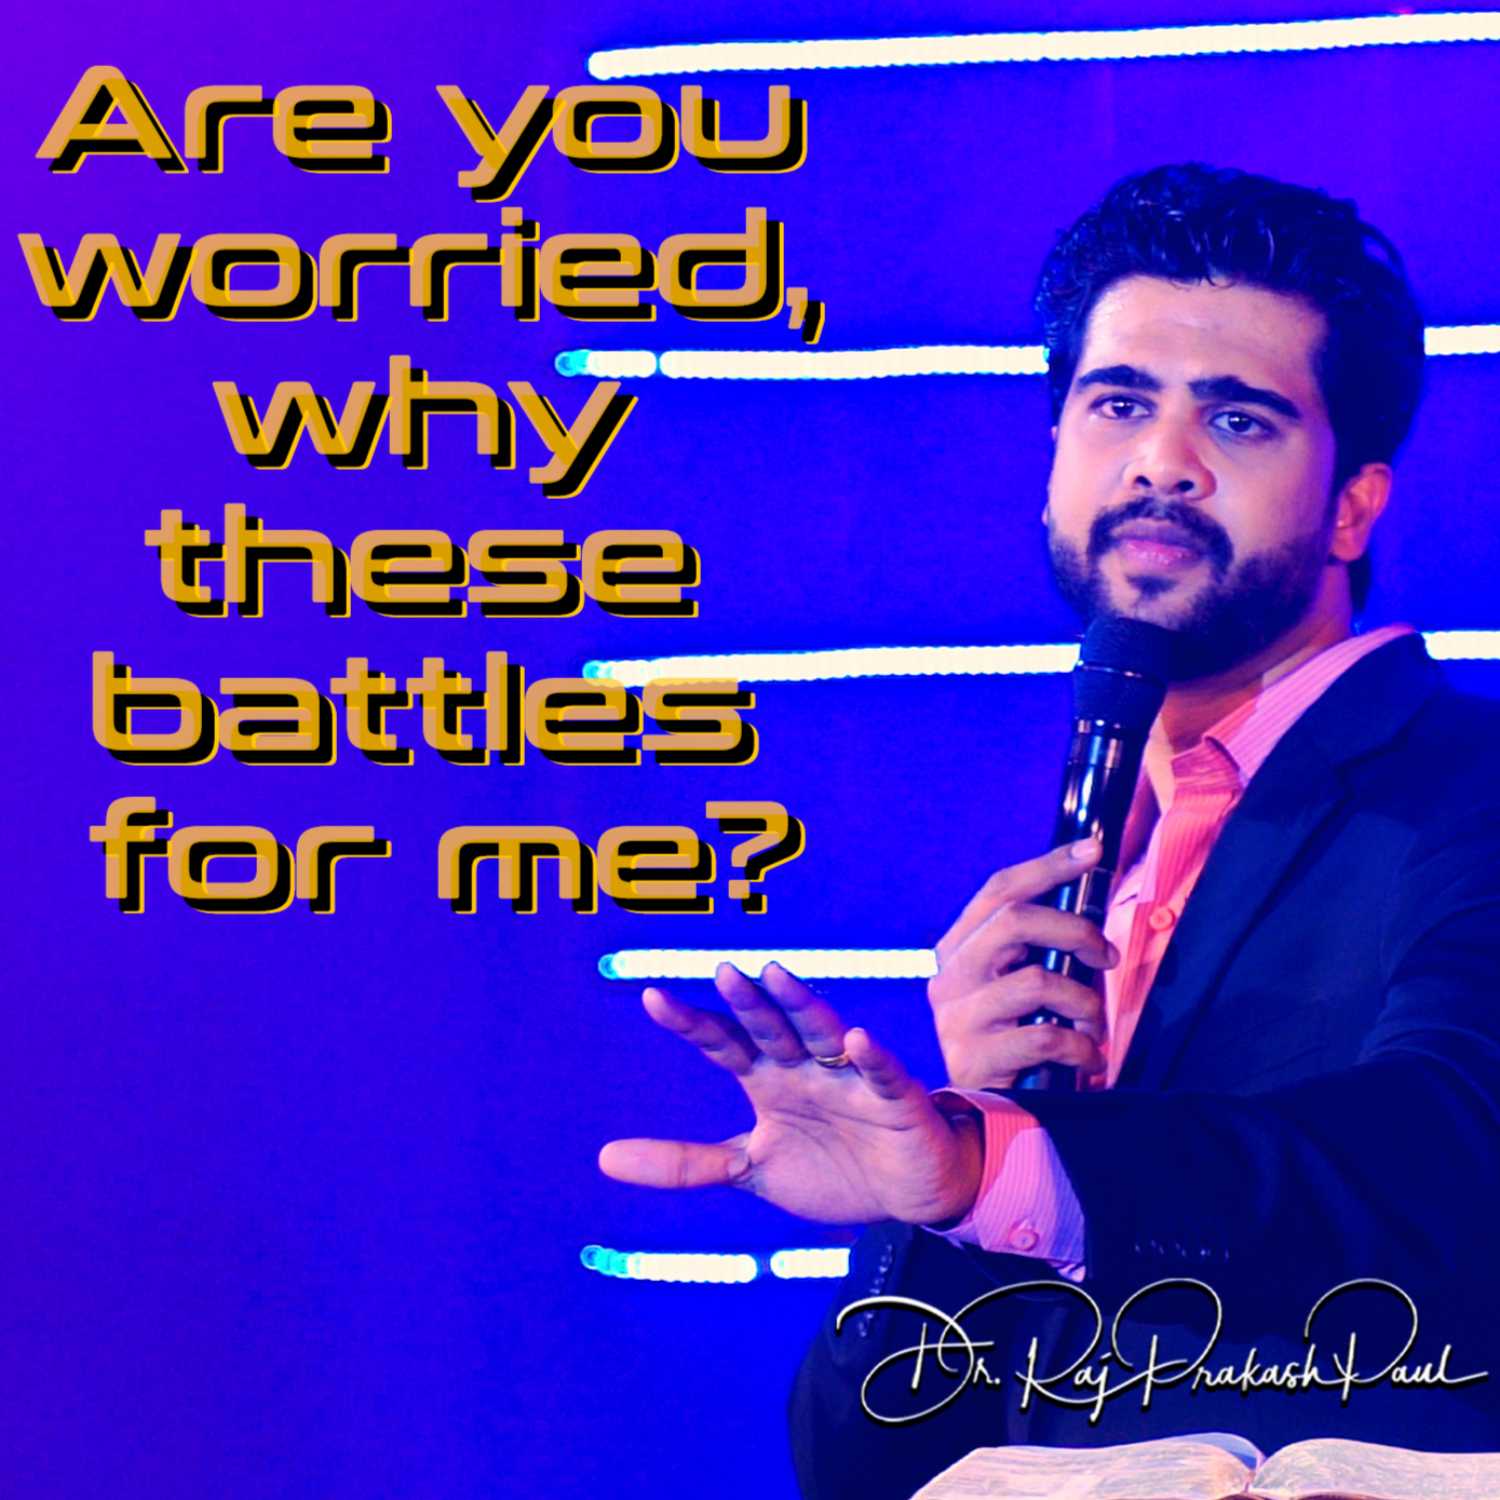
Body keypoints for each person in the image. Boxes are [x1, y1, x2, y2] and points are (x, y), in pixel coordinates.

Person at [599, 165, 1500, 1497]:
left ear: (1354, 504)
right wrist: (943, 1185)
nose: (1162, 460)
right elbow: (868, 1466)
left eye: (1238, 419)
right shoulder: (1084, 865)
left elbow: (1456, 1150)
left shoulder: (1468, 784)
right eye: (1119, 403)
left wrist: (1005, 1162)